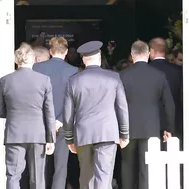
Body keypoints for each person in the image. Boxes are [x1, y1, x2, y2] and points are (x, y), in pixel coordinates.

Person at [63, 41, 130, 189]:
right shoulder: (113, 78)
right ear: (99, 57)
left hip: (84, 133)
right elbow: (122, 107)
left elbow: (68, 113)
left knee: (86, 176)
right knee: (104, 176)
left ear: (83, 59)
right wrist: (124, 133)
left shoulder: (73, 81)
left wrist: (69, 138)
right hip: (107, 132)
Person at [0, 42, 56, 189]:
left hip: (14, 133)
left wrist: (13, 113)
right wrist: (51, 138)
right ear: (34, 60)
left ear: (16, 60)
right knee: (37, 178)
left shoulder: (5, 80)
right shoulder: (44, 80)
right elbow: (49, 112)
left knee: (13, 176)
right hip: (38, 134)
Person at [119, 40, 175, 189]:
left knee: (127, 166)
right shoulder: (159, 75)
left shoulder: (122, 76)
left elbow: (115, 104)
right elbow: (169, 104)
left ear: (132, 55)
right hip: (151, 128)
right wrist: (169, 128)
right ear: (149, 53)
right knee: (147, 167)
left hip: (127, 128)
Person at [33, 37, 78, 189]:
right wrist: (59, 120)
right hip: (63, 123)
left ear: (50, 51)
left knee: (41, 165)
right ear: (66, 52)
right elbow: (73, 100)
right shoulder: (73, 71)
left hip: (40, 123)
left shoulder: (36, 68)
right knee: (61, 167)